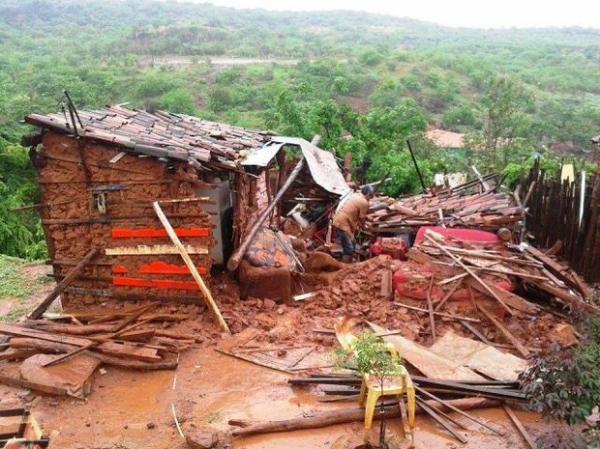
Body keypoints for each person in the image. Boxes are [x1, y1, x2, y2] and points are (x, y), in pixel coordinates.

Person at [332, 185, 374, 262]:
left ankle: (350, 262)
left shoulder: (355, 195)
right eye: (371, 195)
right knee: (349, 249)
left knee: (353, 243)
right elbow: (362, 218)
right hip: (343, 224)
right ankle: (345, 269)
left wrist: (364, 221)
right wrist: (364, 226)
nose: (371, 198)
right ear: (367, 194)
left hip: (340, 220)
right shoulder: (364, 202)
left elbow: (355, 211)